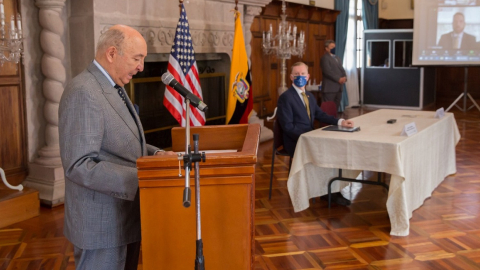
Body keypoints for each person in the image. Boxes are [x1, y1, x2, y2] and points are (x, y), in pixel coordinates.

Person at [58, 25, 174, 270]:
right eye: (137, 58)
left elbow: (126, 141)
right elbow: (79, 165)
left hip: (124, 218)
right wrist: (144, 175)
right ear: (112, 53)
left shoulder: (114, 86)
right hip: (101, 225)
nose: (141, 67)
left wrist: (157, 154)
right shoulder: (84, 92)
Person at [277, 62, 354, 206]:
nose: (300, 77)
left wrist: (340, 122)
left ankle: (330, 190)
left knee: (333, 150)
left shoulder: (310, 96)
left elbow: (321, 115)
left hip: (309, 139)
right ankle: (327, 192)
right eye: (296, 74)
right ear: (291, 77)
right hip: (295, 141)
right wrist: (306, 138)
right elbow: (288, 127)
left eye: (302, 74)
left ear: (308, 76)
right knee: (324, 151)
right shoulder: (286, 98)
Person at [320, 40, 347, 110]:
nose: (334, 48)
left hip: (339, 88)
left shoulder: (337, 58)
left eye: (334, 47)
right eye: (332, 47)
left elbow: (342, 69)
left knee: (335, 108)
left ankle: (335, 120)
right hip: (330, 88)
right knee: (328, 108)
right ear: (326, 48)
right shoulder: (325, 58)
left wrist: (345, 77)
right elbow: (327, 71)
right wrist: (338, 79)